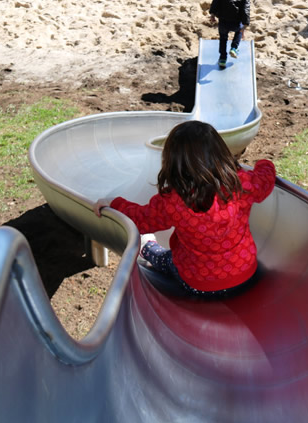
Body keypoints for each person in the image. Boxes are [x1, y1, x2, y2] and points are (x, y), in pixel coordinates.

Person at [93, 120, 276, 298]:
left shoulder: (174, 200)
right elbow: (265, 180)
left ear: (173, 162)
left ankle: (148, 248)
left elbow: (142, 219)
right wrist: (264, 164)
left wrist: (115, 204)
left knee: (166, 259)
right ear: (220, 153)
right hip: (244, 275)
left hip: (197, 283)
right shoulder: (242, 184)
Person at [208, 0, 250, 70]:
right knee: (239, 31)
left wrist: (212, 14)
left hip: (223, 21)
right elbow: (246, 10)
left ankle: (222, 58)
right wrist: (245, 24)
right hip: (236, 22)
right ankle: (234, 48)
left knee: (223, 38)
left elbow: (215, 2)